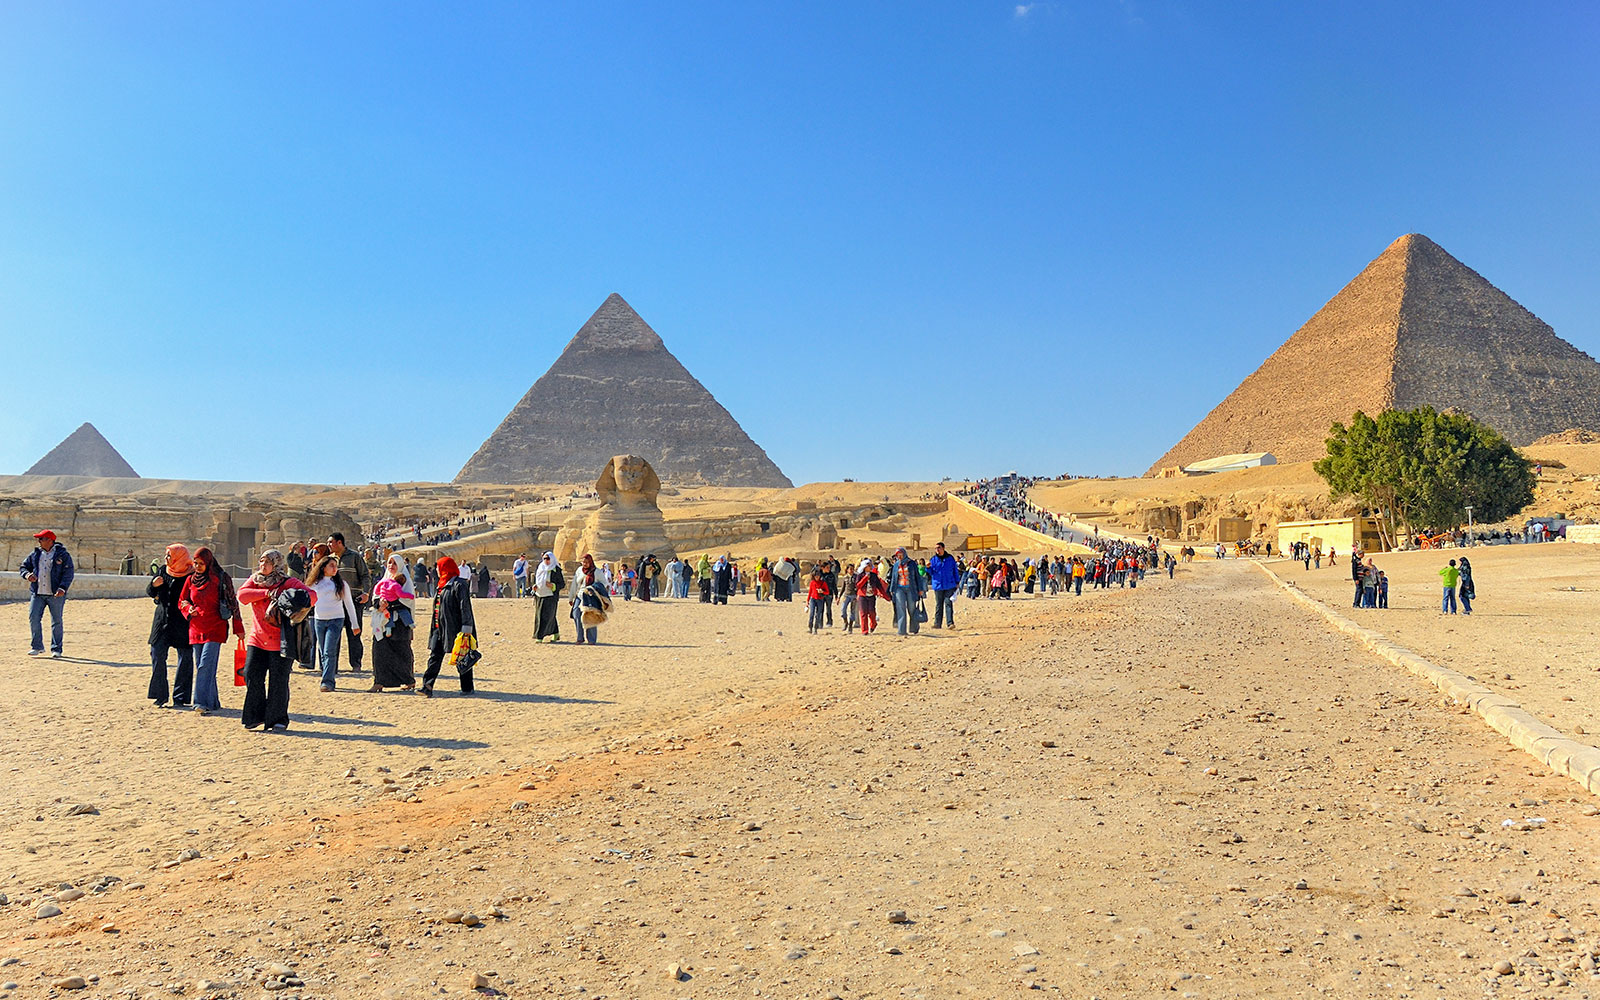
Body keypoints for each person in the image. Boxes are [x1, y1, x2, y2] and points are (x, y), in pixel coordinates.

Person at [236, 550, 314, 732]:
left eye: (267, 562)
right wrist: (266, 592)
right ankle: (255, 716)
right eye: (261, 561)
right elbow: (242, 596)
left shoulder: (288, 582)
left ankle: (277, 719)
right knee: (251, 675)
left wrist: (294, 601)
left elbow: (311, 596)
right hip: (257, 638)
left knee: (278, 681)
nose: (263, 565)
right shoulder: (255, 580)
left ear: (276, 564)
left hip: (282, 639)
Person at [179, 546, 244, 715]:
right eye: (195, 563)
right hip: (195, 628)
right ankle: (213, 702)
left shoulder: (220, 579)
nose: (197, 566)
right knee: (204, 666)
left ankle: (200, 702)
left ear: (208, 562)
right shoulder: (191, 580)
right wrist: (188, 609)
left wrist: (239, 627)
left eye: (201, 563)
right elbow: (182, 600)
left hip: (215, 628)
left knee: (205, 666)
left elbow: (232, 602)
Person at [146, 544, 195, 708]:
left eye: (169, 556)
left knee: (185, 659)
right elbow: (150, 592)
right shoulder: (162, 570)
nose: (166, 559)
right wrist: (154, 585)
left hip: (182, 622)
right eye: (166, 555)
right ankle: (160, 695)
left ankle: (181, 697)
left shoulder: (192, 575)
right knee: (157, 654)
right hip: (162, 621)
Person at [422, 555, 475, 697]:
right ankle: (427, 686)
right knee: (435, 655)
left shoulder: (459, 584)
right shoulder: (441, 585)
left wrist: (466, 629)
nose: (438, 571)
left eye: (440, 568)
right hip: (439, 627)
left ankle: (467, 687)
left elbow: (465, 606)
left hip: (456, 627)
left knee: (462, 656)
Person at [307, 553, 361, 692]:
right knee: (322, 651)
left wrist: (355, 624)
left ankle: (328, 682)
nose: (335, 568)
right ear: (323, 567)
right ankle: (327, 676)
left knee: (329, 650)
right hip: (319, 620)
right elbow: (307, 601)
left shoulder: (341, 584)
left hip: (336, 619)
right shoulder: (314, 584)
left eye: (336, 566)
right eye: (331, 565)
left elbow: (349, 604)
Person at [21, 529, 74, 657]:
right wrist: (27, 575)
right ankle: (37, 646)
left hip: (55, 594)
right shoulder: (35, 554)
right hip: (37, 592)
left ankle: (56, 649)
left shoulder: (63, 555)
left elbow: (68, 573)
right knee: (33, 618)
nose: (39, 542)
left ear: (50, 540)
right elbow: (23, 567)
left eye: (42, 539)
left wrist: (62, 588)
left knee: (56, 621)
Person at [369, 553, 417, 692]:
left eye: (394, 563)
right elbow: (376, 596)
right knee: (380, 649)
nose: (391, 566)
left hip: (400, 622)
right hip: (383, 620)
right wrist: (380, 604)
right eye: (389, 563)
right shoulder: (384, 581)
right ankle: (379, 681)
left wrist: (391, 602)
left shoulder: (406, 582)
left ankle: (408, 680)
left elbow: (409, 601)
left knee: (401, 651)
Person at [328, 533, 369, 673]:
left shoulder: (354, 557)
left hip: (354, 600)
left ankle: (356, 664)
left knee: (354, 633)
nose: (329, 545)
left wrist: (366, 593)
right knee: (334, 635)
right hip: (335, 602)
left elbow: (365, 575)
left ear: (339, 542)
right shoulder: (330, 559)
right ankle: (333, 666)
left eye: (331, 542)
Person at [570, 554, 613, 645]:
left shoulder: (597, 572)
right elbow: (574, 584)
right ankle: (580, 637)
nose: (584, 564)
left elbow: (603, 584)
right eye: (583, 562)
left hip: (590, 596)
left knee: (590, 616)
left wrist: (593, 588)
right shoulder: (579, 571)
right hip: (580, 595)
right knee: (576, 614)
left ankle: (591, 639)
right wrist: (571, 597)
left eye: (586, 562)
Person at [888, 547, 926, 637]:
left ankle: (914, 628)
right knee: (900, 609)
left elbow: (918, 577)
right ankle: (901, 630)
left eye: (900, 554)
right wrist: (892, 590)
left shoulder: (911, 564)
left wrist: (920, 589)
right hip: (899, 588)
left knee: (911, 609)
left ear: (904, 554)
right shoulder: (896, 565)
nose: (899, 556)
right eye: (897, 555)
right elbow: (894, 578)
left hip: (911, 588)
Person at [927, 541, 960, 629]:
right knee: (939, 605)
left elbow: (955, 570)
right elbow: (931, 573)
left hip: (949, 585)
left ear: (943, 548)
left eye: (939, 548)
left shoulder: (950, 558)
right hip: (938, 585)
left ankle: (950, 623)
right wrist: (928, 568)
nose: (937, 550)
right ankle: (937, 624)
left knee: (948, 603)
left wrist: (957, 582)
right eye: (936, 548)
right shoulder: (933, 559)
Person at [533, 552, 564, 642]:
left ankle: (540, 637)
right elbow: (538, 581)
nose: (546, 561)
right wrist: (535, 586)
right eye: (545, 559)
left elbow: (562, 584)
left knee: (546, 616)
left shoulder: (556, 570)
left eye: (548, 559)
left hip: (551, 596)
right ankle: (556, 633)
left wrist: (553, 586)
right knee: (543, 615)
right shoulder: (540, 568)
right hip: (539, 595)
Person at [855, 558, 890, 635]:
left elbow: (879, 586)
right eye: (868, 566)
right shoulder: (860, 575)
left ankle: (873, 624)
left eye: (871, 565)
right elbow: (858, 586)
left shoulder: (874, 575)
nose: (870, 567)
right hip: (862, 596)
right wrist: (865, 578)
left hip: (871, 596)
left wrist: (886, 596)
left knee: (872, 612)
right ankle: (864, 630)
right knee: (863, 613)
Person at [806, 567, 831, 634]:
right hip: (813, 599)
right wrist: (807, 601)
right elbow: (810, 592)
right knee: (812, 613)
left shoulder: (823, 583)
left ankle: (815, 627)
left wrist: (822, 591)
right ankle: (810, 627)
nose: (817, 577)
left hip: (820, 600)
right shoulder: (812, 583)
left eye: (818, 576)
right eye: (816, 576)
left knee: (818, 614)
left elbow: (827, 592)